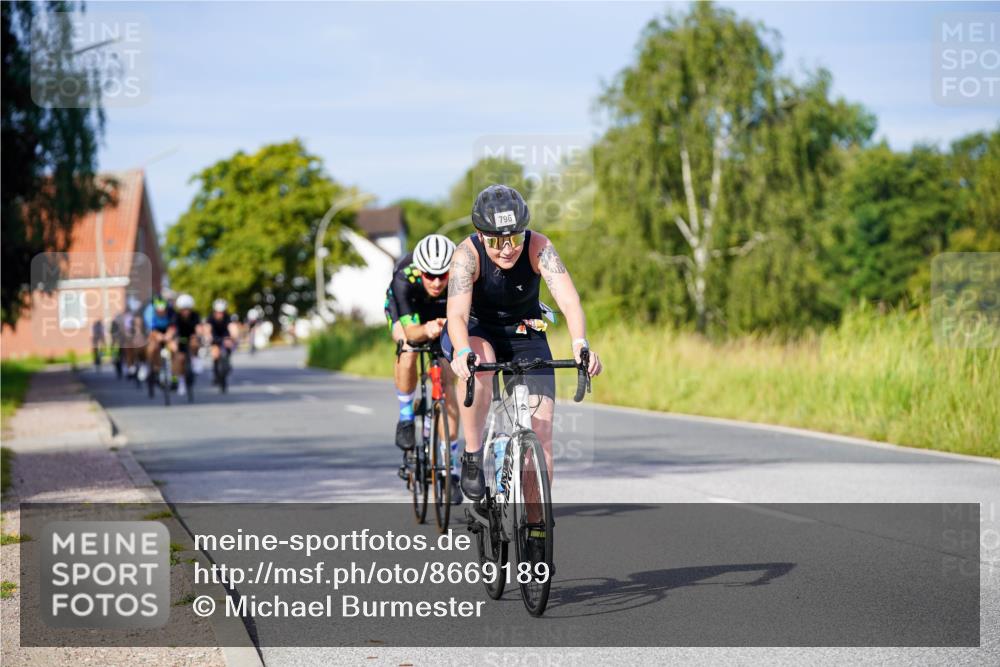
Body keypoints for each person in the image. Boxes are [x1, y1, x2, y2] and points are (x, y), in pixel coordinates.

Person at [444, 185, 603, 504]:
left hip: (524, 332)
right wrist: (461, 352)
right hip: (480, 331)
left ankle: (536, 532)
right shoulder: (466, 256)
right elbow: (457, 316)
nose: (507, 249)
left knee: (542, 439)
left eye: (514, 238)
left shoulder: (540, 246)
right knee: (478, 365)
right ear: (479, 234)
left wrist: (580, 343)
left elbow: (569, 300)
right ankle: (473, 454)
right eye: (496, 241)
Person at [384, 234, 462, 504]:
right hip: (410, 312)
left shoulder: (462, 278)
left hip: (443, 316)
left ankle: (451, 467)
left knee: (449, 379)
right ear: (419, 270)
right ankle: (406, 416)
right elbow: (411, 330)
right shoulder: (404, 278)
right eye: (430, 275)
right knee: (408, 347)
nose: (438, 281)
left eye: (443, 274)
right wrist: (427, 329)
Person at [170, 294, 201, 396]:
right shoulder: (176, 316)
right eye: (183, 309)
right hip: (180, 339)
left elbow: (198, 328)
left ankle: (195, 359)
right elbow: (173, 329)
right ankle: (181, 383)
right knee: (180, 359)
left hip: (191, 338)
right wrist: (173, 340)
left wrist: (199, 334)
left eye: (187, 309)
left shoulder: (195, 315)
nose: (186, 311)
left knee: (194, 341)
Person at [204, 298, 239, 384]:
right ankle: (216, 374)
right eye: (218, 312)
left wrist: (233, 338)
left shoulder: (228, 317)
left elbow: (233, 328)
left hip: (225, 336)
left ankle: (227, 361)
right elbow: (207, 329)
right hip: (215, 337)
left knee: (228, 345)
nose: (220, 314)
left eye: (221, 312)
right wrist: (208, 337)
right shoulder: (210, 318)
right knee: (215, 354)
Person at [140, 295, 174, 382]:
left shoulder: (171, 311)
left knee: (173, 346)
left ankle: (171, 369)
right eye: (158, 311)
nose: (161, 312)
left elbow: (173, 325)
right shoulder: (149, 312)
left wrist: (168, 335)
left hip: (166, 330)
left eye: (163, 310)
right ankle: (149, 365)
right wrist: (158, 336)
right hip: (153, 331)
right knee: (152, 347)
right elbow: (151, 328)